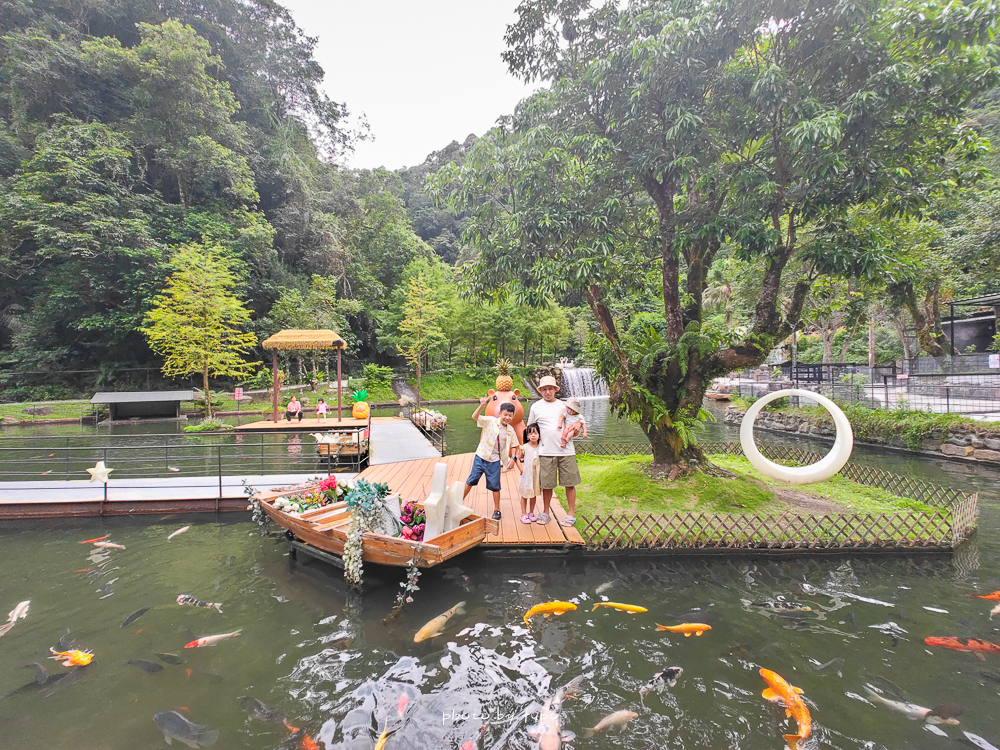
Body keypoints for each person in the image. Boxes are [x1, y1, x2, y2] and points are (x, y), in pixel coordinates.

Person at [527, 375, 580, 527]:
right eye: (544, 389)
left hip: (566, 452)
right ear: (540, 391)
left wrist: (576, 429)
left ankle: (571, 514)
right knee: (547, 485)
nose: (547, 392)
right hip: (545, 452)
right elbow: (530, 430)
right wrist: (527, 451)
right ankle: (545, 512)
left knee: (570, 483)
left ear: (556, 389)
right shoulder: (536, 407)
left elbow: (576, 424)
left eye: (550, 389)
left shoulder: (565, 406)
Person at [464, 396, 518, 521]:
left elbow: (515, 445)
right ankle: (458, 501)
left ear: (513, 416)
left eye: (510, 415)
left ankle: (497, 510)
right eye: (505, 414)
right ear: (500, 414)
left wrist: (513, 458)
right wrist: (482, 406)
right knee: (471, 479)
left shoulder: (510, 430)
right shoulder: (490, 421)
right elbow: (475, 417)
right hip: (481, 456)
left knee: (495, 485)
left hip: (495, 460)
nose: (507, 417)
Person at [517, 423, 542, 524]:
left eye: (535, 433)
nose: (533, 435)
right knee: (525, 494)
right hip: (527, 475)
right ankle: (523, 513)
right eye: (531, 433)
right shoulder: (525, 447)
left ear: (539, 435)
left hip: (536, 475)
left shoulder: (541, 447)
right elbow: (517, 459)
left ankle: (531, 512)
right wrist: (521, 469)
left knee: (533, 493)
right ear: (527, 436)